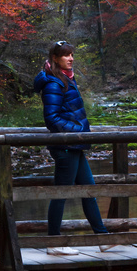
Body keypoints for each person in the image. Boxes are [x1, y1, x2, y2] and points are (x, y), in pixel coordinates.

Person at [33, 40, 110, 255]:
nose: (71, 58)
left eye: (72, 54)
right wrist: (77, 129)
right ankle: (54, 243)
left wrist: (78, 133)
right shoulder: (53, 83)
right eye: (66, 55)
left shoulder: (66, 79)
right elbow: (51, 118)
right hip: (65, 145)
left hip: (74, 144)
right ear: (55, 58)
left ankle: (102, 238)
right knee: (62, 193)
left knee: (89, 191)